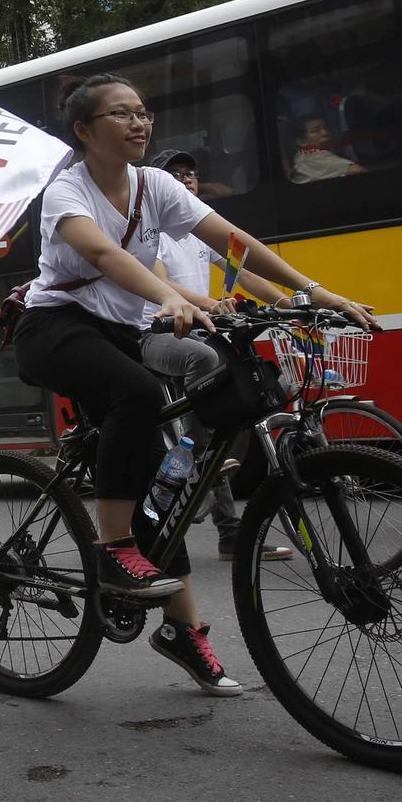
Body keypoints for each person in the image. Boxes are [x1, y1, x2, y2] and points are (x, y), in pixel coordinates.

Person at [14, 73, 373, 697]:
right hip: (55, 327)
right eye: (121, 114)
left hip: (119, 333)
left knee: (165, 486)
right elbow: (104, 258)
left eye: (143, 112)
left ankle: (181, 629)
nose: (139, 123)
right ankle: (112, 546)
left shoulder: (155, 186)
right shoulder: (66, 192)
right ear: (83, 131)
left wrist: (312, 292)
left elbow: (230, 240)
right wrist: (166, 297)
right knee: (140, 395)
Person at [139, 150, 292, 563]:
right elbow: (162, 284)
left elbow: (246, 273)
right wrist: (211, 303)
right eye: (175, 175)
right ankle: (193, 501)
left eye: (191, 174)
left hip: (204, 330)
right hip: (167, 335)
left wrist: (289, 302)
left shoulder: (196, 235)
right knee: (207, 424)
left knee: (217, 422)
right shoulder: (154, 234)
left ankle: (202, 492)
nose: (186, 180)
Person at [288, 116, 365, 184]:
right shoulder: (318, 157)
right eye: (316, 130)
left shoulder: (300, 155)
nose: (325, 133)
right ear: (302, 141)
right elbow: (358, 170)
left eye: (326, 128)